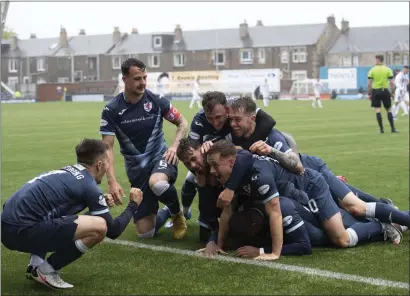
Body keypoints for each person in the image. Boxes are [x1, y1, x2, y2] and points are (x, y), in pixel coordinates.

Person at [206, 141, 403, 261]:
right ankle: (387, 216)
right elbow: (228, 210)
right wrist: (217, 243)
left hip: (310, 187)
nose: (212, 172)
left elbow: (275, 211)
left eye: (214, 165)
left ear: (231, 162)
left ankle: (388, 223)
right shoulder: (234, 174)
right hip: (298, 195)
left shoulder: (259, 175)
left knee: (341, 238)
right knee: (349, 215)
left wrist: (271, 253)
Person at [1, 139, 143, 289]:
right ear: (99, 164)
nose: (108, 167)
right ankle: (47, 271)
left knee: (45, 215)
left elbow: (58, 214)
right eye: (107, 162)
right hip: (21, 233)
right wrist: (133, 205)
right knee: (100, 227)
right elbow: (113, 230)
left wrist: (99, 204)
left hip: (6, 228)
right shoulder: (89, 186)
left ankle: (35, 265)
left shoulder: (67, 172)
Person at [99, 58, 188, 240]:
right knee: (145, 233)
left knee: (157, 183)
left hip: (161, 161)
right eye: (137, 78)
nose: (143, 83)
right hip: (137, 173)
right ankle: (166, 210)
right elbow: (107, 147)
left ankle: (177, 213)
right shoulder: (111, 110)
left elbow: (182, 123)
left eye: (144, 78)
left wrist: (174, 146)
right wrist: (112, 181)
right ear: (124, 80)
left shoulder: (156, 101)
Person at [180, 91, 276, 217]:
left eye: (219, 117)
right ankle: (185, 212)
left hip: (241, 153)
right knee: (192, 179)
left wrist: (247, 147)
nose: (215, 122)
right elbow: (191, 152)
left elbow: (268, 121)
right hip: (220, 156)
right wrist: (200, 172)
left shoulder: (234, 106)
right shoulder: (199, 120)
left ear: (227, 109)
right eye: (210, 118)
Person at [367, 55, 397, 133]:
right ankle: (393, 129)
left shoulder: (372, 70)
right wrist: (392, 93)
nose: (375, 61)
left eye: (376, 60)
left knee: (377, 109)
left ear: (378, 60)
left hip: (376, 91)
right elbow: (392, 83)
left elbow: (369, 84)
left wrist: (370, 93)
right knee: (388, 109)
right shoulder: (388, 69)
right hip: (385, 91)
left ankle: (381, 129)